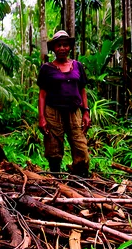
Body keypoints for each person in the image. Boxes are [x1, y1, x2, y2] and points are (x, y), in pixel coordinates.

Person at [37, 30, 91, 177]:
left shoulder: (78, 66)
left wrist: (86, 112)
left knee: (80, 144)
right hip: (53, 112)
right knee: (53, 146)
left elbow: (82, 90)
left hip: (74, 111)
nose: (62, 48)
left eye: (65, 45)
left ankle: (81, 179)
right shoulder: (46, 68)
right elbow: (42, 94)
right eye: (58, 45)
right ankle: (55, 179)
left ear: (69, 47)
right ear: (53, 48)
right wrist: (41, 118)